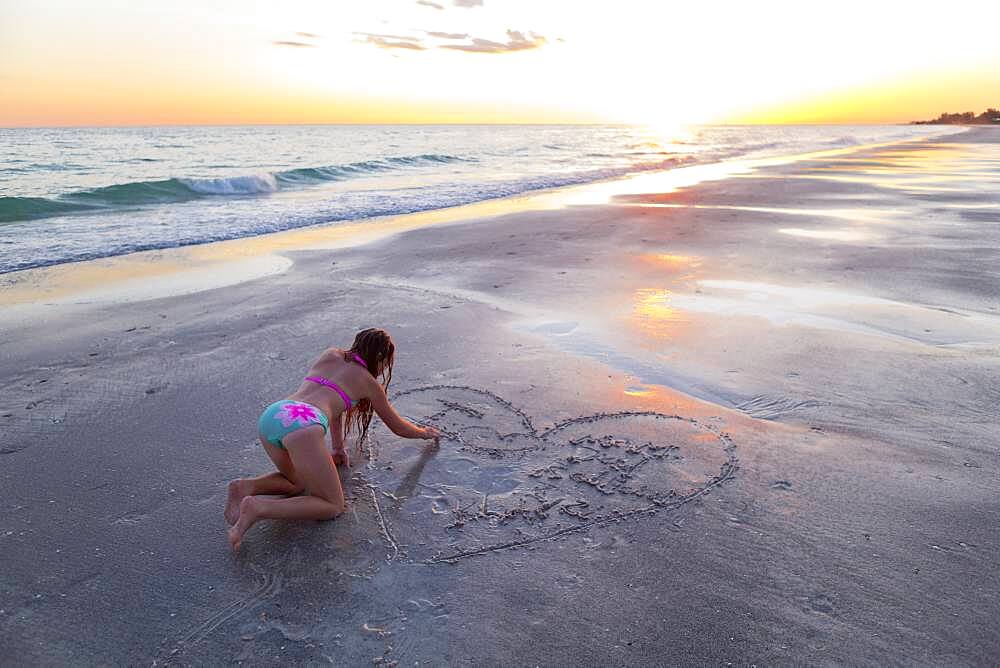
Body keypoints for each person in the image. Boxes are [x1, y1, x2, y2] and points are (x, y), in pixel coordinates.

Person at [225, 328, 439, 550]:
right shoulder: (368, 382)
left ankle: (244, 487)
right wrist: (424, 433)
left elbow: (337, 405)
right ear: (380, 358)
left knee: (297, 482)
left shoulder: (331, 354)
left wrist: (338, 448)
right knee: (333, 505)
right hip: (303, 427)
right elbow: (398, 427)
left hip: (275, 414)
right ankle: (258, 508)